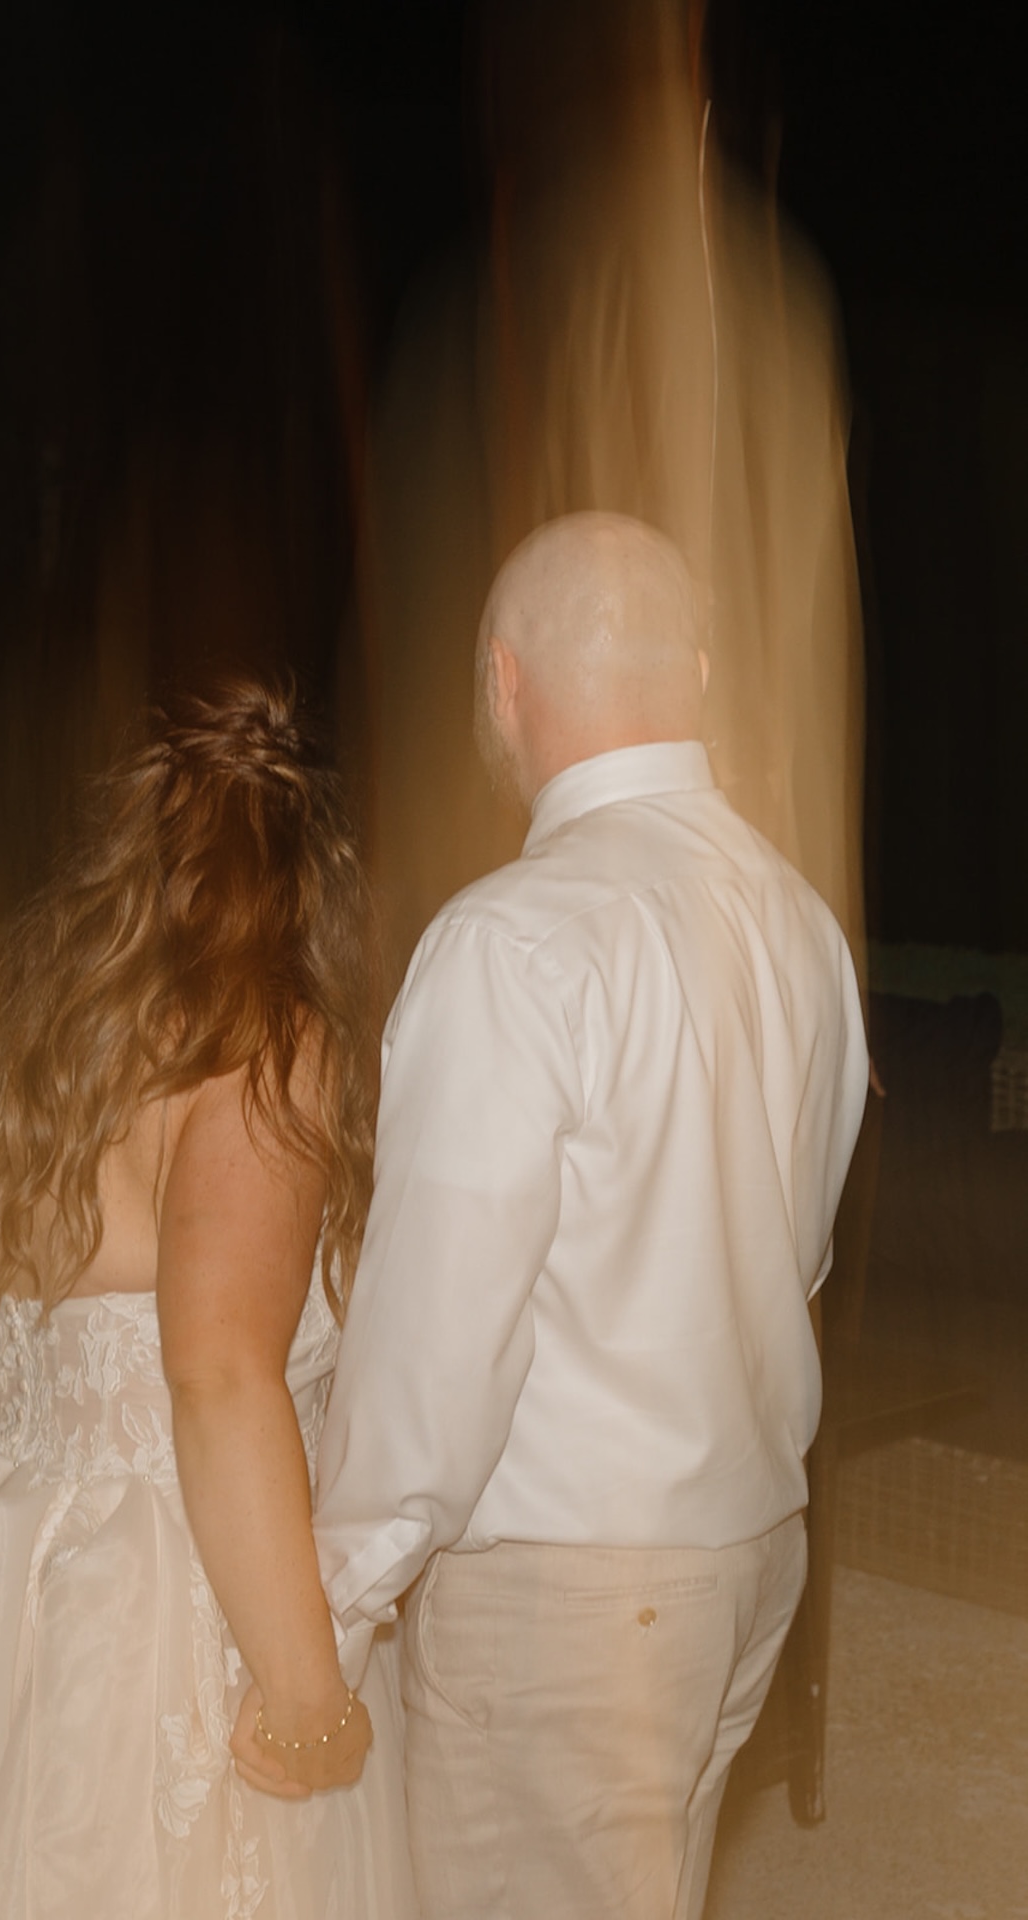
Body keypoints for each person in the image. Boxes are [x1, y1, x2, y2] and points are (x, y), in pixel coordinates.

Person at [0, 680, 419, 1919]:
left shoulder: (38, 1020)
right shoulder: (259, 1047)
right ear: (321, 864)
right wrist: (306, 1699)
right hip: (160, 1585)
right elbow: (215, 1379)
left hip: (1, 1535)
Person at [311, 515, 870, 1920]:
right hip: (747, 1555)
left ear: (503, 683)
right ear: (693, 670)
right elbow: (791, 1254)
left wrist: (329, 1597)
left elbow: (442, 1332)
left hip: (574, 1599)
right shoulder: (799, 921)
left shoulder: (513, 938)